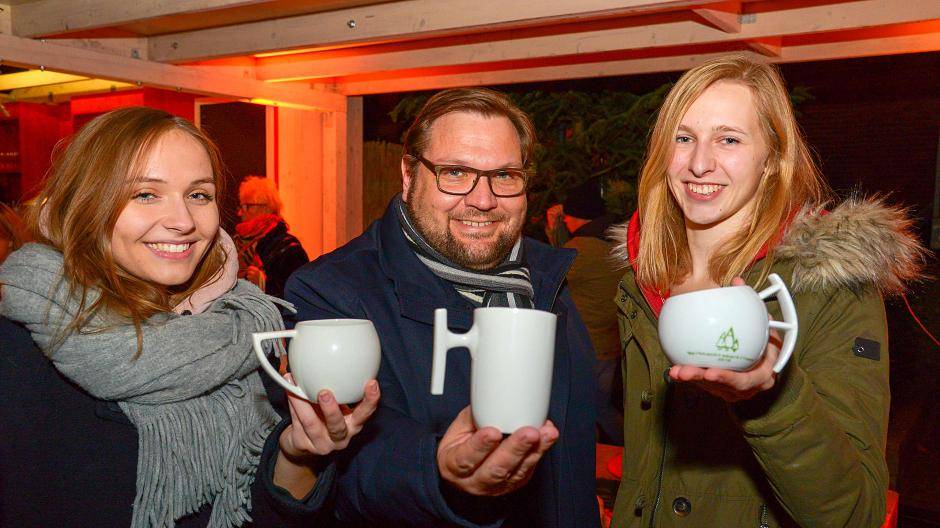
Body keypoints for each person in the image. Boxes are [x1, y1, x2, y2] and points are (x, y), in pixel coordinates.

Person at [0, 106, 378, 527]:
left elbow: (260, 512)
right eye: (145, 194)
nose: (182, 221)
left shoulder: (243, 328)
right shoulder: (18, 348)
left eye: (199, 195)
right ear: (86, 203)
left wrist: (297, 454)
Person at [609, 53, 926, 526]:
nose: (699, 163)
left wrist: (768, 397)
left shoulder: (829, 286)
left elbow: (854, 513)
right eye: (684, 138)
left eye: (729, 139)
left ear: (773, 159)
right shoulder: (641, 280)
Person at [284, 87, 599, 527]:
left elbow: (580, 435)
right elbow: (347, 466)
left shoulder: (549, 282)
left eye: (505, 175)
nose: (483, 199)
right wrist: (440, 472)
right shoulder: (332, 291)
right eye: (455, 172)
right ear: (409, 174)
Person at [559, 178, 624, 446]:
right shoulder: (612, 242)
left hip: (586, 348)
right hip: (610, 344)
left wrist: (557, 231)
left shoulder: (581, 250)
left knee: (590, 408)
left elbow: (550, 272)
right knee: (600, 404)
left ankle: (628, 449)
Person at [234, 175, 309, 298]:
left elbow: (300, 294)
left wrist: (265, 284)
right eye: (241, 206)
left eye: (247, 206)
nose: (240, 212)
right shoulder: (237, 243)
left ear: (265, 208)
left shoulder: (289, 248)